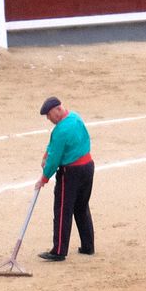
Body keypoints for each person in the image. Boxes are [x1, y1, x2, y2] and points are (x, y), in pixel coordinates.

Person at [35, 96, 93, 262]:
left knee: (62, 210)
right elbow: (53, 147)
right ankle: (88, 246)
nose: (49, 119)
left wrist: (44, 178)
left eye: (49, 115)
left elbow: (54, 159)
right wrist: (46, 154)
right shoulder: (75, 117)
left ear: (58, 109)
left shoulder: (60, 130)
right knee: (81, 207)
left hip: (71, 172)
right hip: (88, 167)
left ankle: (59, 251)